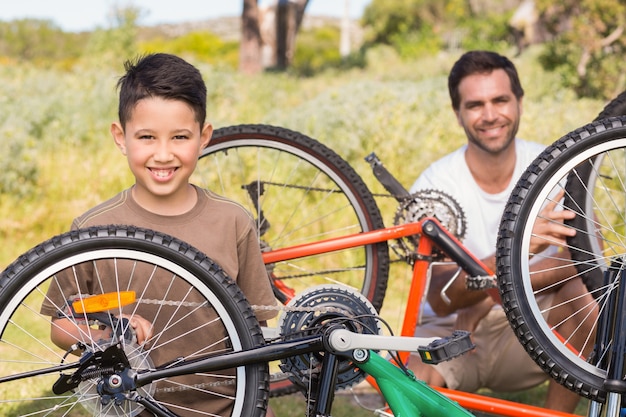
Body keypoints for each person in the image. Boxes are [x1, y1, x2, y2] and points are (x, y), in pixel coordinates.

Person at [40, 53, 277, 416]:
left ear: (204, 137)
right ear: (121, 138)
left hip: (230, 406)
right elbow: (62, 325)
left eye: (180, 137)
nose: (163, 154)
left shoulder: (231, 221)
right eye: (147, 137)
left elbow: (256, 327)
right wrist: (109, 332)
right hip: (134, 405)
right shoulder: (93, 229)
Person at [407, 50, 596, 413]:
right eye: (475, 104)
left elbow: (592, 267)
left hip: (532, 327)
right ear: (457, 113)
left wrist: (486, 290)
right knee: (405, 387)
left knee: (585, 299)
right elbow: (443, 298)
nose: (490, 115)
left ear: (520, 103)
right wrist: (519, 247)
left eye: (500, 100)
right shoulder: (434, 185)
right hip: (453, 334)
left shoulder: (555, 170)